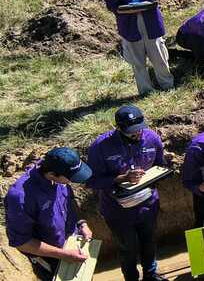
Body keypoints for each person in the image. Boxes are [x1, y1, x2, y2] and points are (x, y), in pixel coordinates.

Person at [86, 106, 167, 281]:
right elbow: (91, 181)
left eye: (139, 129)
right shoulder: (100, 147)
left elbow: (161, 164)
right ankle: (131, 278)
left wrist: (158, 175)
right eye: (131, 132)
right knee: (128, 248)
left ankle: (151, 275)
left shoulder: (152, 139)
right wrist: (120, 178)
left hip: (148, 205)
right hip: (118, 212)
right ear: (119, 127)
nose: (137, 134)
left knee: (149, 242)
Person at [5, 148, 94, 281]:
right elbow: (21, 242)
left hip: (73, 246)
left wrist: (81, 223)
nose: (72, 181)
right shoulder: (20, 197)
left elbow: (69, 204)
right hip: (50, 259)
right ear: (52, 174)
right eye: (71, 178)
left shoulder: (60, 176)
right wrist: (63, 255)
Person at [103, 0, 174, 96]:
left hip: (151, 20)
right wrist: (124, 9)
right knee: (138, 61)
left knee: (159, 56)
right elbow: (111, 5)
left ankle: (167, 85)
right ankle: (146, 91)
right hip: (129, 24)